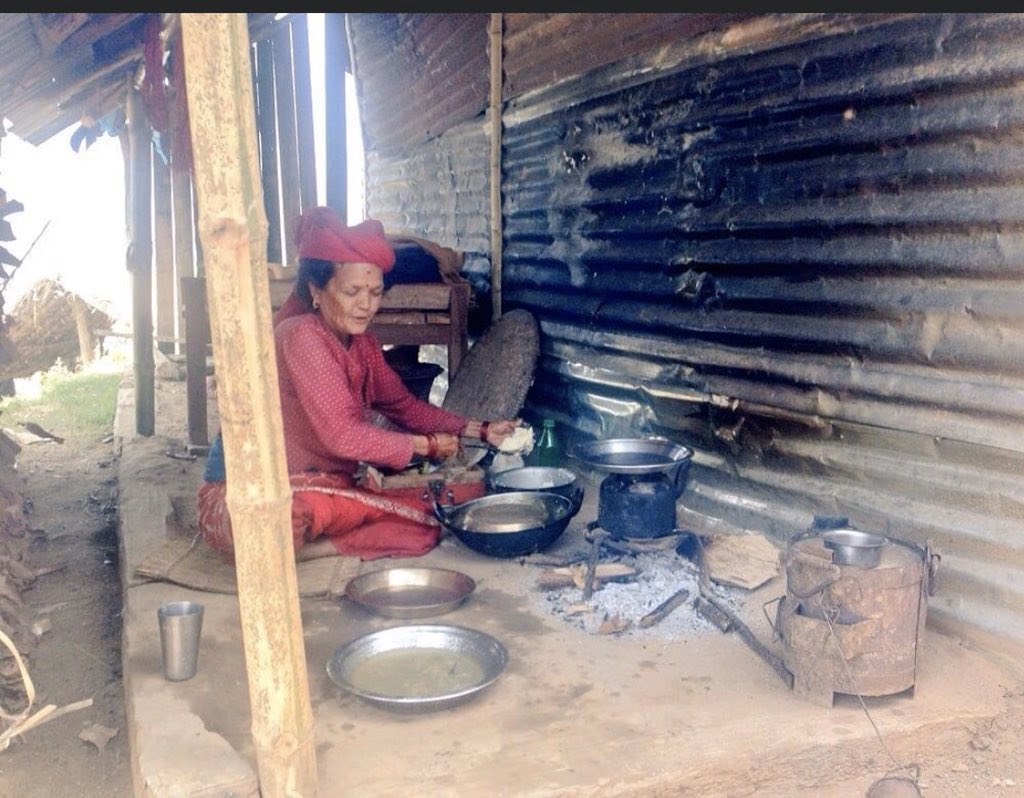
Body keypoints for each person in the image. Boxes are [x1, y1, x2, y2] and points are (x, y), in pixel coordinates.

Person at [197, 206, 520, 561]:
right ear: (316, 291)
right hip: (251, 489)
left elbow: (404, 406)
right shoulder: (301, 335)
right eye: (352, 291)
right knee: (282, 519)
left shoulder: (362, 344)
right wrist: (426, 446)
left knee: (427, 521)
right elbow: (343, 435)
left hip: (324, 485)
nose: (366, 305)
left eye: (375, 292)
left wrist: (481, 430)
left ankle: (311, 549)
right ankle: (295, 545)